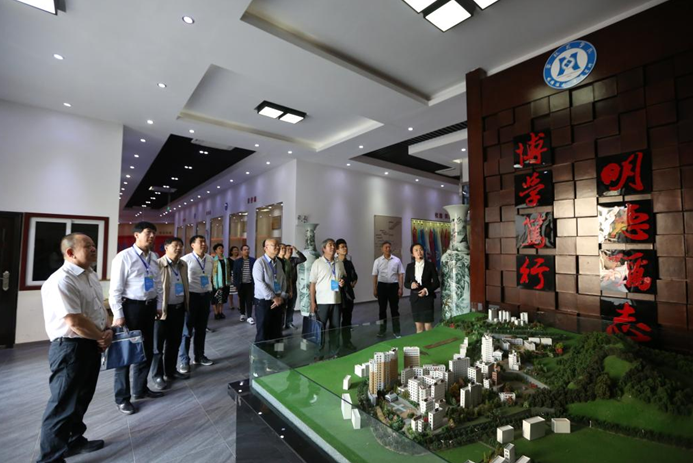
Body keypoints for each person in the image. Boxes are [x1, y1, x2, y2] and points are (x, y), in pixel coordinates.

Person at [38, 233, 112, 463]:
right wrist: (101, 336)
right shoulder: (62, 280)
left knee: (81, 399)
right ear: (70, 253)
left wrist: (107, 329)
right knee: (62, 405)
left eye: (94, 245)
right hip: (70, 348)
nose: (93, 249)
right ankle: (49, 459)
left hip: (90, 344)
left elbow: (98, 307)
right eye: (87, 246)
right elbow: (75, 321)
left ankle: (73, 440)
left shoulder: (90, 275)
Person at [110, 221, 164, 415]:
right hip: (130, 309)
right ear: (136, 235)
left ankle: (140, 389)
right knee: (125, 354)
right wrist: (118, 315)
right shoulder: (124, 257)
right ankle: (122, 398)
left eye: (154, 233)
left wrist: (158, 305)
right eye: (148, 232)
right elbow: (115, 290)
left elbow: (158, 284)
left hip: (149, 309)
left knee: (146, 351)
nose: (152, 236)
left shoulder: (154, 257)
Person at [150, 238, 190, 391]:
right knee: (157, 346)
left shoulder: (183, 264)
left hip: (178, 309)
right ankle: (157, 375)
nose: (179, 248)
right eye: (175, 246)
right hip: (162, 311)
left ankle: (171, 371)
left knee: (174, 342)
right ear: (166, 247)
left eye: (181, 246)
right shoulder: (158, 264)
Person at [178, 235, 214, 374]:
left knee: (201, 328)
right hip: (191, 297)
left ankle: (199, 356)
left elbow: (210, 277)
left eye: (205, 241)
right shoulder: (185, 260)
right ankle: (184, 360)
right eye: (200, 242)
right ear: (192, 245)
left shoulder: (210, 259)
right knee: (187, 330)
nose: (204, 244)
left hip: (205, 297)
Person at [310, 238, 346, 355]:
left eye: (334, 245)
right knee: (320, 328)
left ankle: (334, 351)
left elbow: (342, 277)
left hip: (336, 300)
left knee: (335, 328)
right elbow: (312, 284)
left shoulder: (339, 263)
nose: (333, 247)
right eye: (330, 245)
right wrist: (312, 302)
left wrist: (342, 282)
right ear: (323, 249)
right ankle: (319, 352)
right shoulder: (317, 263)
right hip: (322, 302)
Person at [252, 238, 289, 342]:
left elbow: (283, 280)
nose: (277, 247)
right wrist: (273, 297)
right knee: (263, 332)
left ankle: (277, 350)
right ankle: (261, 352)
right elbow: (259, 283)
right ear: (266, 248)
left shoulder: (279, 263)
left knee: (277, 331)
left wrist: (281, 296)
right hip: (264, 302)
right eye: (274, 245)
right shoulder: (259, 262)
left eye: (278, 245)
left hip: (278, 301)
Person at [404, 243, 440, 333]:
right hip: (415, 299)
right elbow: (406, 283)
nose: (419, 252)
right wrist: (411, 285)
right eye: (416, 250)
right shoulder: (409, 266)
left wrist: (426, 290)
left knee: (428, 326)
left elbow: (436, 283)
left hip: (427, 298)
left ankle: (430, 342)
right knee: (419, 327)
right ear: (412, 254)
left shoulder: (430, 265)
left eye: (421, 249)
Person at [372, 241, 404, 338]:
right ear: (382, 249)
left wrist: (400, 288)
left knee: (395, 310)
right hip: (381, 286)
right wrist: (375, 288)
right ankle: (382, 330)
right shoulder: (377, 261)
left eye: (389, 247)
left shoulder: (397, 260)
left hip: (394, 286)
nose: (388, 249)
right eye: (386, 247)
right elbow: (375, 275)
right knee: (382, 310)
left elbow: (401, 274)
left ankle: (396, 330)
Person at [335, 239, 358, 349]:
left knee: (347, 320)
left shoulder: (349, 263)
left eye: (346, 246)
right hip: (336, 295)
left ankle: (347, 341)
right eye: (342, 247)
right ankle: (334, 345)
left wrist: (353, 283)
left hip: (348, 296)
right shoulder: (334, 263)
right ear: (337, 250)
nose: (345, 248)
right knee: (335, 321)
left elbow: (355, 277)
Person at [283, 244, 306, 329]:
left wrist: (297, 251)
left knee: (291, 305)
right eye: (288, 249)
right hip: (283, 286)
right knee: (283, 307)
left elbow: (303, 259)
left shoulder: (293, 260)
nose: (290, 251)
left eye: (291, 249)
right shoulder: (281, 260)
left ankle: (289, 322)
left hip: (292, 285)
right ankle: (281, 324)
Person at [233, 244, 256, 325]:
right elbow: (235, 274)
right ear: (241, 251)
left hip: (250, 284)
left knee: (249, 300)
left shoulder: (253, 260)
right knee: (241, 299)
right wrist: (235, 284)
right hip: (241, 284)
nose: (247, 251)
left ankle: (249, 316)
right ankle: (242, 314)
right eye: (245, 249)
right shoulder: (237, 261)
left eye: (248, 249)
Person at [211, 243, 231, 320]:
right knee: (215, 298)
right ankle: (216, 313)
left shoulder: (226, 260)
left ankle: (220, 312)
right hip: (215, 282)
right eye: (219, 248)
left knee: (222, 298)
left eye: (222, 248)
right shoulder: (213, 260)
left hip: (225, 281)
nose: (221, 249)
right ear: (215, 250)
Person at [228, 246, 240, 311]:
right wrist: (230, 276)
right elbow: (228, 269)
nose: (236, 251)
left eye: (237, 250)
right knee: (231, 291)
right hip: (231, 275)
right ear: (231, 251)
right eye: (234, 250)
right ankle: (231, 304)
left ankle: (239, 305)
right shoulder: (228, 259)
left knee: (239, 291)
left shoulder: (240, 259)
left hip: (238, 275)